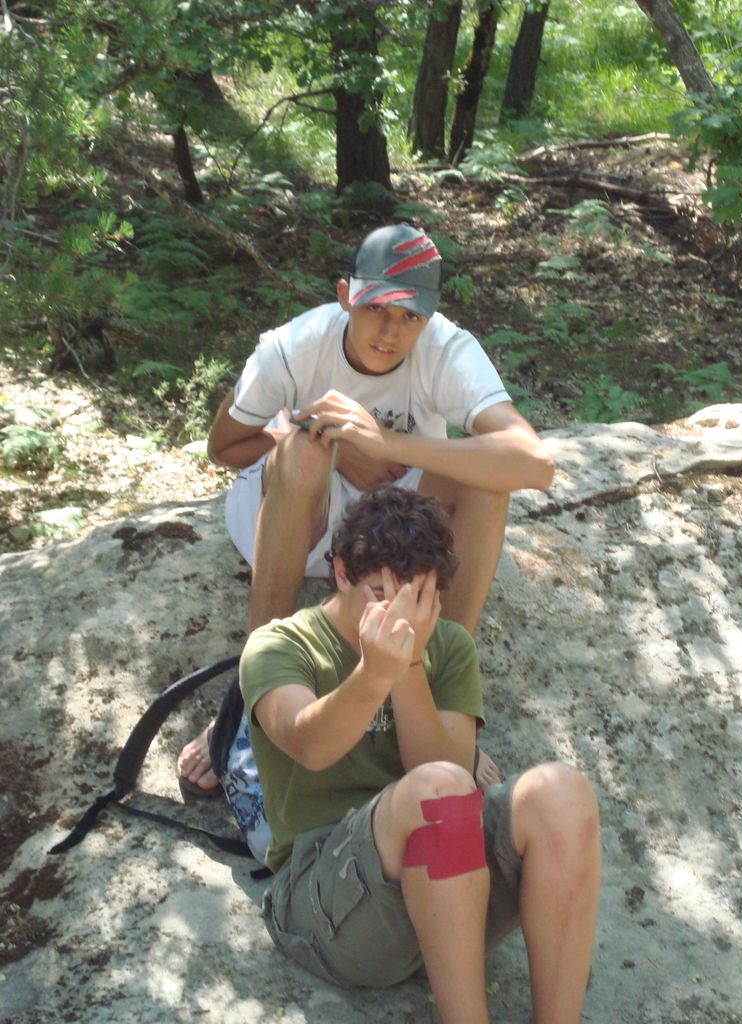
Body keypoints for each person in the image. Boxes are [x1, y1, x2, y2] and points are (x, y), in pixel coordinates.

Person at [178, 222, 554, 794]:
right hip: (299, 514)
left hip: (394, 522)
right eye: (377, 307)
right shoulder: (293, 347)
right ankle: (254, 696)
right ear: (345, 295)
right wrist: (328, 442)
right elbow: (224, 446)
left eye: (410, 316)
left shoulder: (447, 349)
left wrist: (386, 444)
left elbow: (535, 464)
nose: (391, 330)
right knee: (303, 455)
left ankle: (442, 700)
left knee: (487, 483)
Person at [230, 487, 600, 1024]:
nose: (399, 616)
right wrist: (374, 673)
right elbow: (309, 746)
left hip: (447, 897)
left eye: (417, 598)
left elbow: (448, 777)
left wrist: (408, 669)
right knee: (437, 791)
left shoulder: (447, 647)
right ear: (340, 573)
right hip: (325, 904)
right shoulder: (281, 645)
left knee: (562, 792)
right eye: (380, 594)